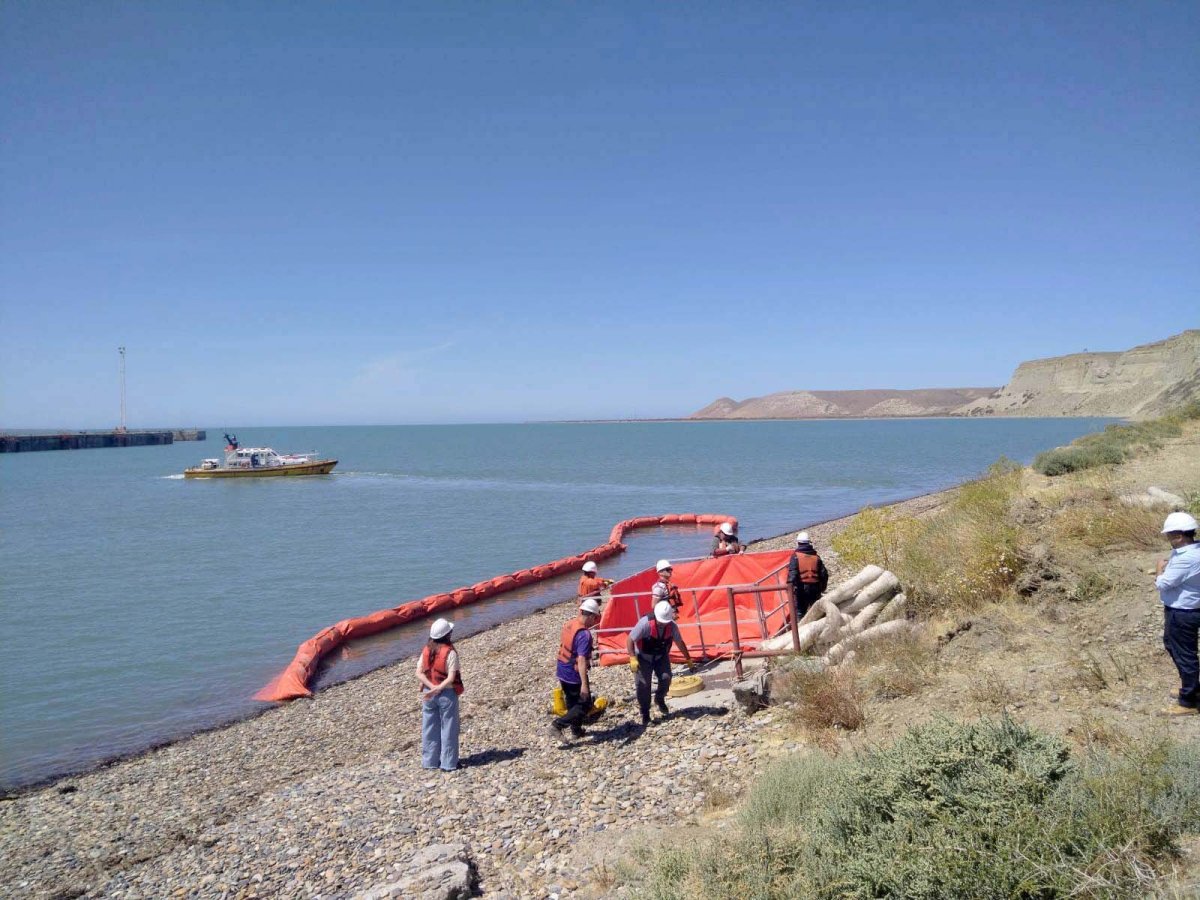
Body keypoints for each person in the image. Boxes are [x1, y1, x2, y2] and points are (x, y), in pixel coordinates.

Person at [1155, 512, 1200, 716]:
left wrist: (1159, 570)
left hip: (1182, 612)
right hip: (1189, 609)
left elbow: (1163, 583)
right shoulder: (1193, 550)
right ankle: (1192, 686)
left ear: (1179, 536)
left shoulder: (1186, 558)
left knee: (1184, 655)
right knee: (1173, 646)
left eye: (1169, 536)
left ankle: (1188, 701)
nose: (1168, 539)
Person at [626, 600, 695, 726]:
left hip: (661, 657)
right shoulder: (645, 624)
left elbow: (680, 642)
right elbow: (630, 639)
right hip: (643, 657)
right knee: (643, 685)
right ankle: (645, 713)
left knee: (666, 678)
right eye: (661, 621)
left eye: (665, 621)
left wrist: (688, 660)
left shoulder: (672, 626)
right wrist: (632, 658)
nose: (662, 623)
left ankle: (659, 698)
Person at [549, 597, 602, 743]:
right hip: (573, 673)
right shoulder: (584, 635)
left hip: (562, 668)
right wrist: (584, 685)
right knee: (584, 703)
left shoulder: (570, 624)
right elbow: (581, 660)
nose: (594, 621)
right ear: (591, 616)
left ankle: (576, 730)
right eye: (595, 618)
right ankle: (557, 725)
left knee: (572, 701)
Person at [417, 617, 463, 771]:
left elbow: (419, 673)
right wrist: (438, 688)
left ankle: (429, 762)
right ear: (447, 635)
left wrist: (431, 687)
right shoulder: (450, 652)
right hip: (446, 694)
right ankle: (448, 763)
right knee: (449, 728)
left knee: (429, 727)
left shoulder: (426, 650)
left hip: (428, 694)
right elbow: (451, 677)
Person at [787, 531, 829, 619]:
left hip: (801, 589)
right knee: (817, 611)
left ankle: (801, 625)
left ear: (798, 543)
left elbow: (792, 575)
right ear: (809, 543)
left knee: (800, 612)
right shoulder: (816, 557)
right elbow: (824, 574)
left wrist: (789, 589)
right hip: (815, 588)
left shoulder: (795, 556)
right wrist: (823, 588)